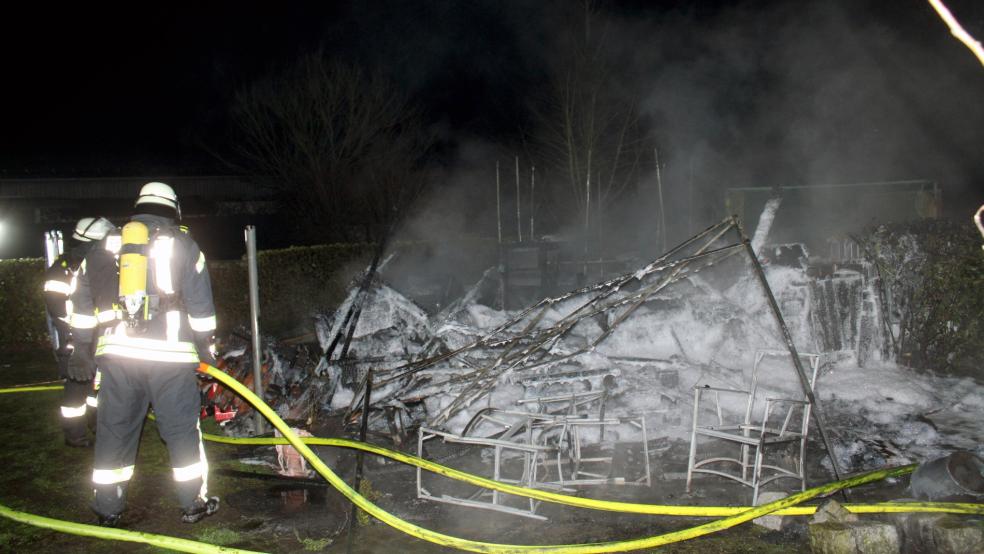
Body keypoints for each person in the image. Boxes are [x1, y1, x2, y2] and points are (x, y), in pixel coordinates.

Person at [69, 182, 220, 526]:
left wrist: (79, 347)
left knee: (115, 429)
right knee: (180, 430)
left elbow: (80, 298)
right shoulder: (184, 245)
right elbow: (201, 309)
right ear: (173, 209)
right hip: (170, 357)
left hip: (118, 356)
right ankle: (192, 503)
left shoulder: (104, 246)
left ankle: (108, 506)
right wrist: (207, 351)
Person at [43, 217, 115, 447]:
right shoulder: (63, 270)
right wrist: (76, 337)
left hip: (96, 337)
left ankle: (96, 424)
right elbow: (58, 309)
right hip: (75, 339)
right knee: (76, 389)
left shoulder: (96, 264)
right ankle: (74, 435)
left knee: (97, 386)